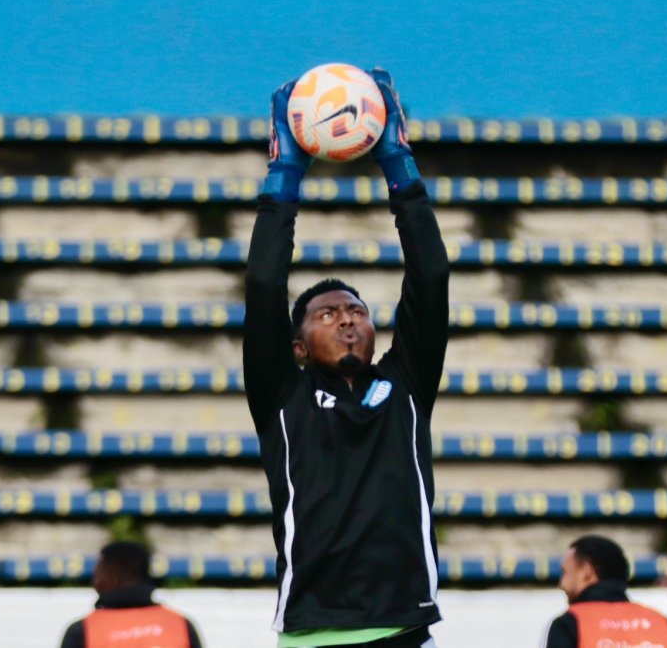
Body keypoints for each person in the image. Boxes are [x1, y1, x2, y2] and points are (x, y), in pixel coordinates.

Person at [244, 68, 448, 648]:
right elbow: (264, 286)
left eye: (356, 310)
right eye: (327, 314)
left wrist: (397, 163)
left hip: (406, 627)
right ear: (298, 347)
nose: (346, 319)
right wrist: (285, 173)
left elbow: (431, 275)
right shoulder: (282, 395)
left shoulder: (406, 384)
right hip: (313, 632)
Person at [543, 535, 667, 648]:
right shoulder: (666, 625)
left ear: (586, 571)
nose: (561, 584)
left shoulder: (569, 624)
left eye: (565, 572)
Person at [59, 541, 201, 648]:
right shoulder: (180, 625)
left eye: (98, 573)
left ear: (112, 580)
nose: (94, 579)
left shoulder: (83, 631)